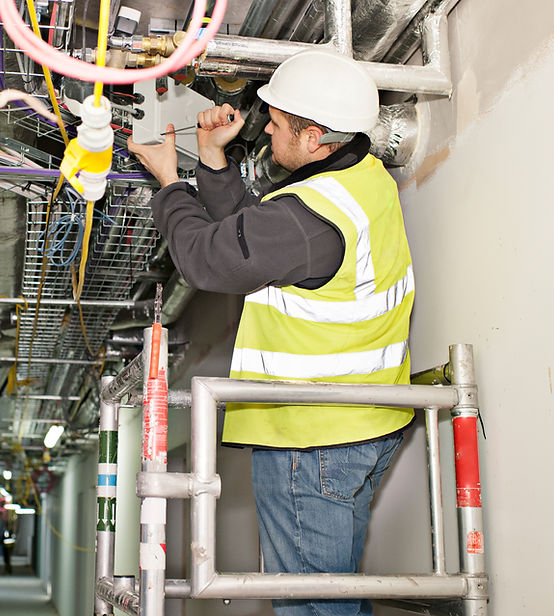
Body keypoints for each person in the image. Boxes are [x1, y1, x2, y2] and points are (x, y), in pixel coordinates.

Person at [127, 49, 415, 616]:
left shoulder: (310, 216)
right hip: (363, 423)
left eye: (278, 124)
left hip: (312, 437)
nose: (266, 131)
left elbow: (209, 260)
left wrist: (170, 184)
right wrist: (213, 161)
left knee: (312, 608)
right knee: (334, 599)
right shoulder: (359, 180)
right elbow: (256, 240)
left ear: (314, 138)